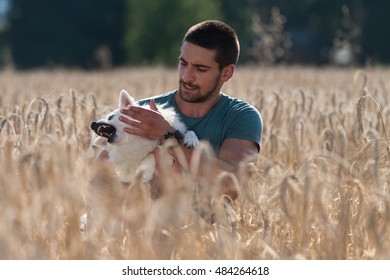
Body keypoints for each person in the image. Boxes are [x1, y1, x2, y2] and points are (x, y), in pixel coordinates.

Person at [119, 20, 262, 200]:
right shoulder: (142, 112)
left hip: (209, 229)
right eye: (183, 63)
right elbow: (103, 179)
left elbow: (231, 187)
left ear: (226, 73)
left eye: (200, 69)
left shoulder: (240, 117)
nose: (187, 76)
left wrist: (168, 136)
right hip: (141, 225)